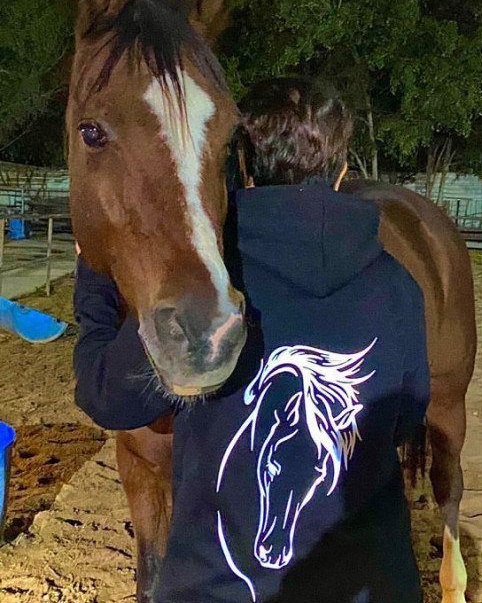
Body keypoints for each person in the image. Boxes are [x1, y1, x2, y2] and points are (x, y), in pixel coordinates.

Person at [73, 77, 429, 602]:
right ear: (342, 172)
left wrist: (93, 283)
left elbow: (107, 398)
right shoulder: (398, 286)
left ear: (241, 167)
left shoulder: (208, 293)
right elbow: (404, 418)